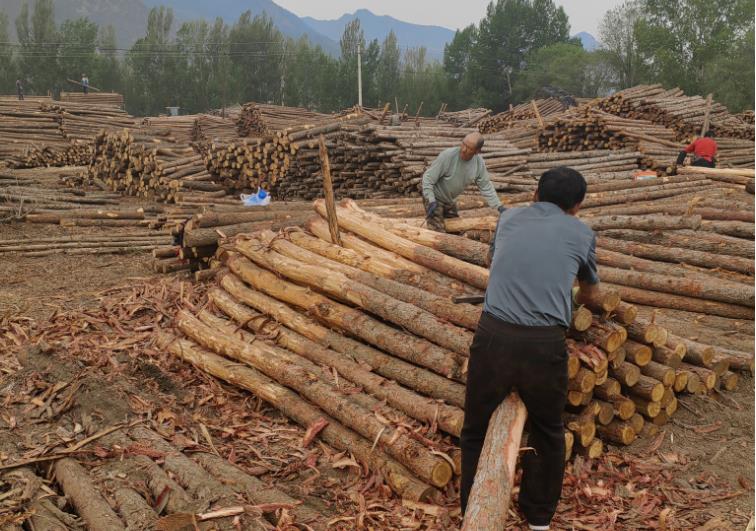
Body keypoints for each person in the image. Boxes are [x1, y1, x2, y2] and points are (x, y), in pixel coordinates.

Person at [460, 167, 601, 531]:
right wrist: (572, 297)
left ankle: (470, 509)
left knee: (475, 428)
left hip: (493, 337)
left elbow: (494, 262)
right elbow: (591, 293)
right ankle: (538, 518)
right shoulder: (582, 233)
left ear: (535, 192)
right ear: (578, 205)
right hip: (543, 345)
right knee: (548, 430)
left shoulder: (507, 218)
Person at [422, 132, 504, 232]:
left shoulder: (478, 163)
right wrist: (430, 200)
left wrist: (499, 206)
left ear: (477, 151)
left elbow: (485, 186)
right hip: (435, 198)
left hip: (450, 200)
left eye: (469, 148)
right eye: (463, 144)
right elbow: (428, 178)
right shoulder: (448, 156)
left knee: (456, 231)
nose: (464, 149)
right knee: (438, 233)